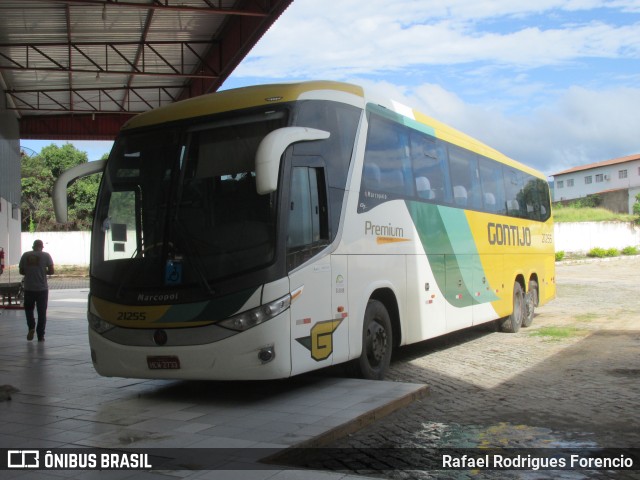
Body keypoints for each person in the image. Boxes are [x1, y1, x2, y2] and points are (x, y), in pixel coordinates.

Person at [19, 240, 54, 342]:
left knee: (29, 310)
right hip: (42, 289)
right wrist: (43, 271)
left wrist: (30, 271)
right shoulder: (46, 255)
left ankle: (31, 327)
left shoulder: (25, 255)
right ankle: (40, 336)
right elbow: (51, 271)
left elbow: (21, 271)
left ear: (33, 246)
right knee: (42, 312)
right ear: (42, 247)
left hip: (29, 288)